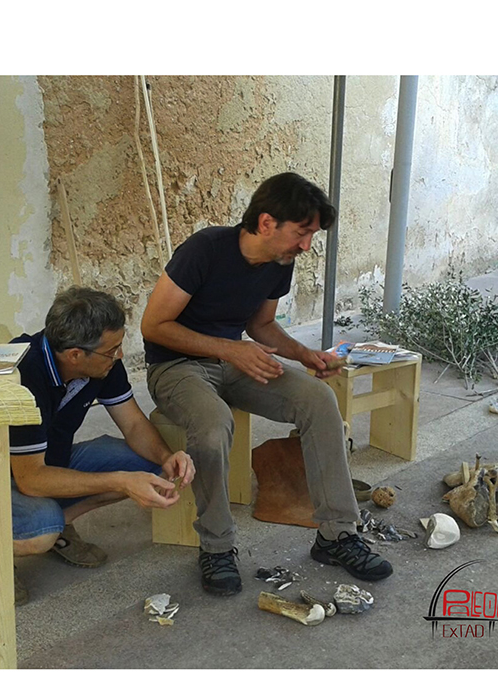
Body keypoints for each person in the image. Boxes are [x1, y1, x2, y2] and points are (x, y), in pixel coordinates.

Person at [141, 172, 393, 596]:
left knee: (317, 399)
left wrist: (304, 354)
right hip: (176, 366)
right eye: (301, 232)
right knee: (213, 424)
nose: (306, 245)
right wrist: (230, 349)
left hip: (235, 360)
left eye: (311, 235)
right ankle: (217, 546)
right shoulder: (205, 249)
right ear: (266, 223)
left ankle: (336, 534)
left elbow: (261, 325)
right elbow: (153, 326)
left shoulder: (280, 262)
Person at [0, 287, 195, 604]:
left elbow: (133, 423)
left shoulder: (101, 361)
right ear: (75, 355)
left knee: (146, 465)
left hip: (49, 464)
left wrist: (167, 456)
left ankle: (59, 526)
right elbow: (30, 479)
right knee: (43, 529)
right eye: (113, 350)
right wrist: (122, 482)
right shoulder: (23, 375)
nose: (119, 356)